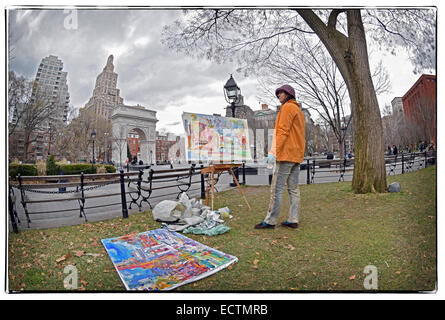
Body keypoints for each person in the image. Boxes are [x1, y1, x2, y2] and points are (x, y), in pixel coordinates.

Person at [255, 84, 306, 230]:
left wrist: (273, 152)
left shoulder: (287, 108)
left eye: (281, 93)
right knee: (294, 189)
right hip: (296, 155)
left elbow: (282, 132)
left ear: (288, 94)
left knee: (276, 189)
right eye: (278, 94)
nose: (278, 95)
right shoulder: (298, 110)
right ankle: (293, 219)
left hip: (285, 155)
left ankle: (270, 220)